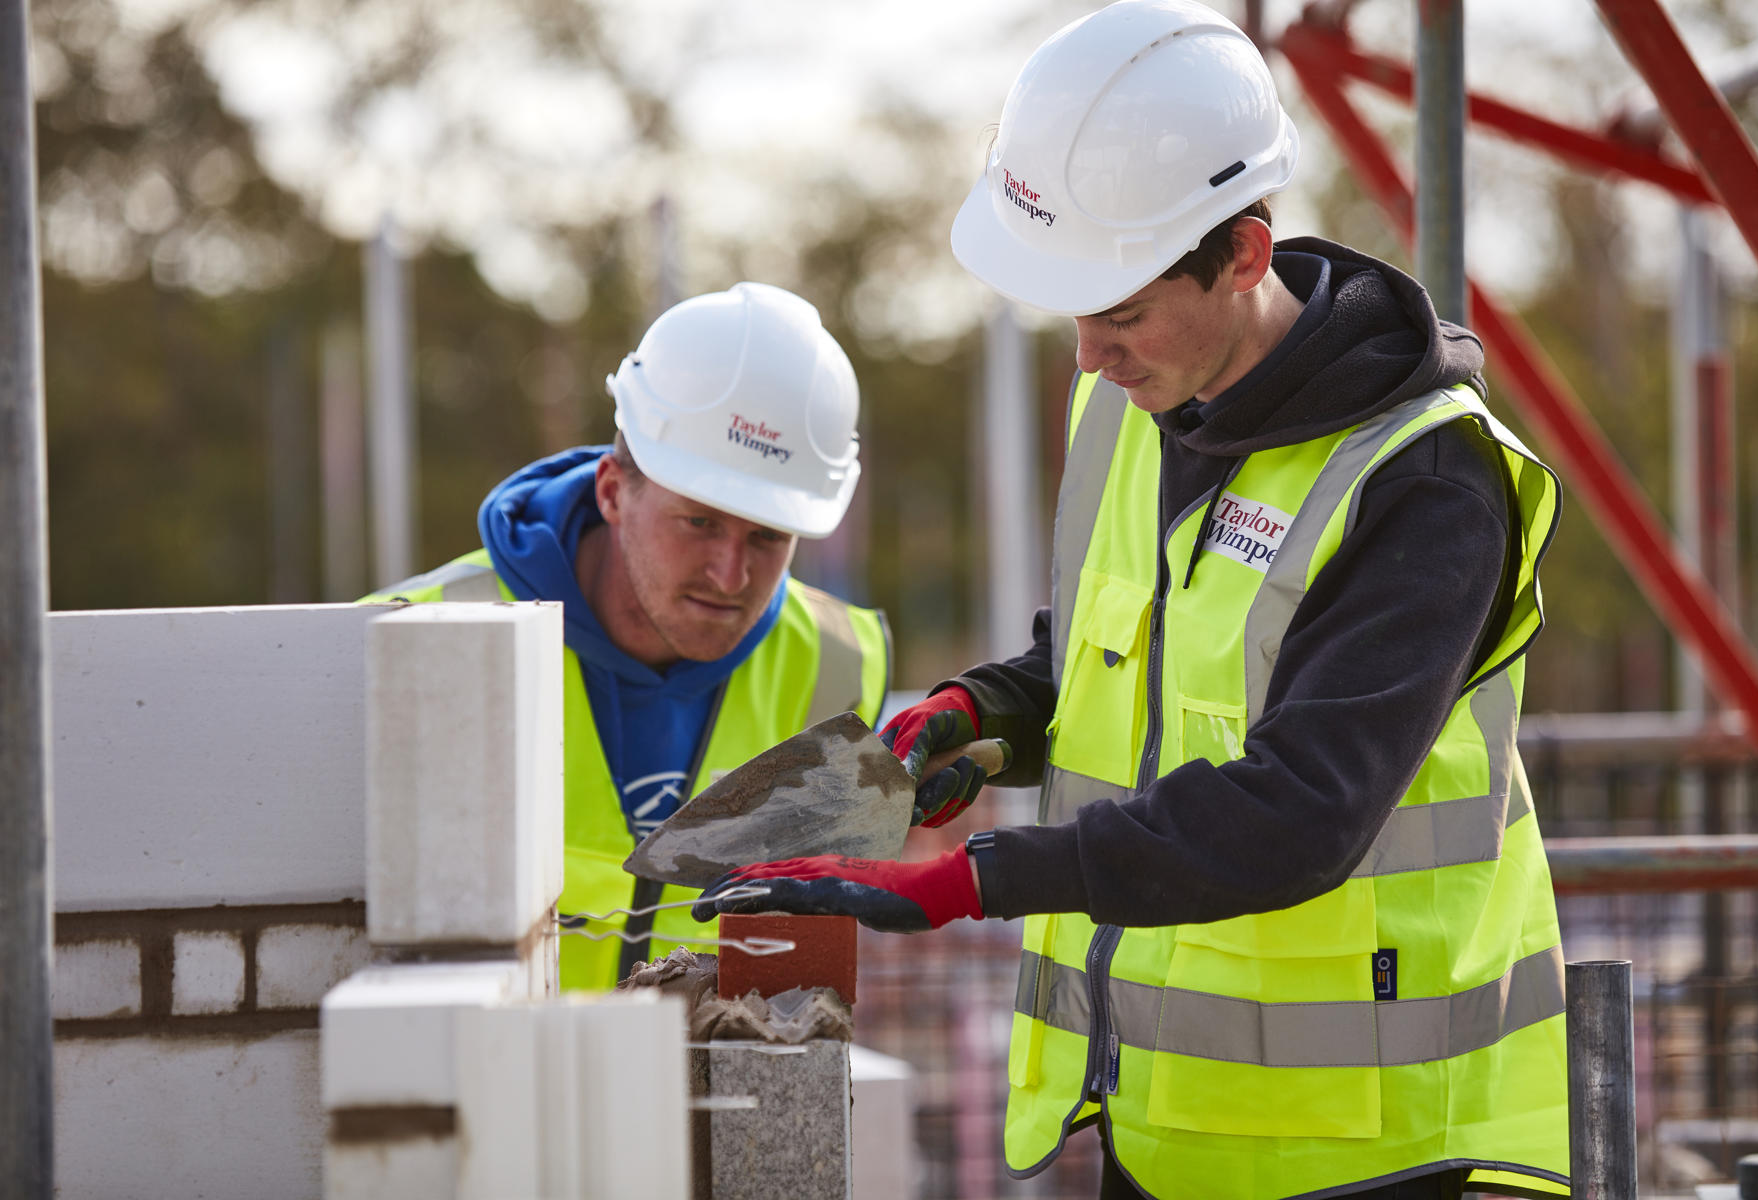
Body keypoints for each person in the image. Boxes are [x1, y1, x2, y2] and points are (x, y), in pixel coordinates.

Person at [693, 5, 1570, 1198]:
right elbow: (1113, 665)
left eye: (1121, 311)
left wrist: (974, 880)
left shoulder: (1424, 479)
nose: (1089, 356)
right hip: (1167, 1133)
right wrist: (979, 707)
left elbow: (1305, 807)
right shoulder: (1131, 404)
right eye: (1076, 313)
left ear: (1247, 254)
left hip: (1385, 1148)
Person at [367, 282, 891, 991]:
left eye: (767, 536)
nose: (731, 574)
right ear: (613, 491)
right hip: (476, 1091)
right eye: (700, 522)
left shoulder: (839, 665)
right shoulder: (406, 638)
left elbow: (801, 979)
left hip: (710, 1101)